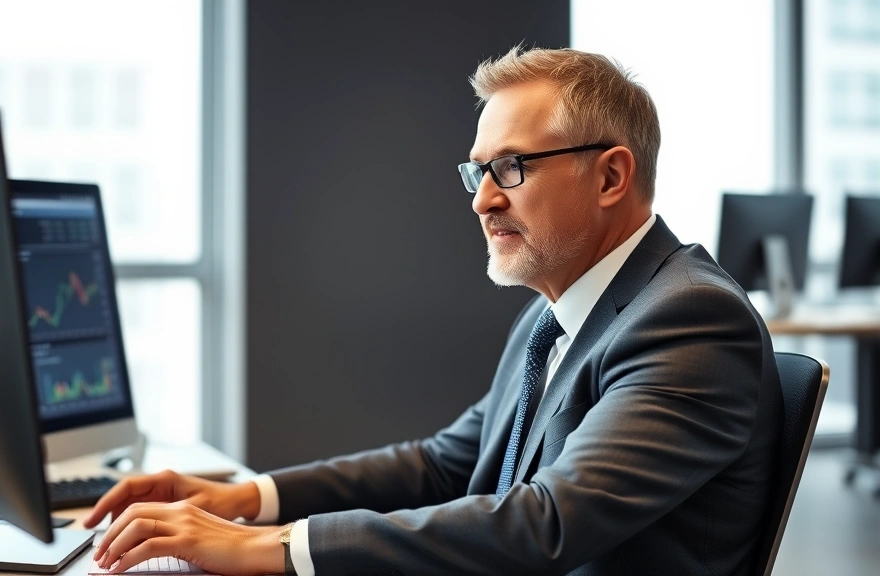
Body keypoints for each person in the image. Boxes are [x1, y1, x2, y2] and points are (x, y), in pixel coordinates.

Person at [84, 46, 783, 576]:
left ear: (609, 176)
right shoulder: (559, 315)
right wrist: (239, 500)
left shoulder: (689, 318)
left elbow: (548, 522)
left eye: (512, 167)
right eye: (477, 172)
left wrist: (273, 546)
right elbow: (446, 464)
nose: (482, 199)